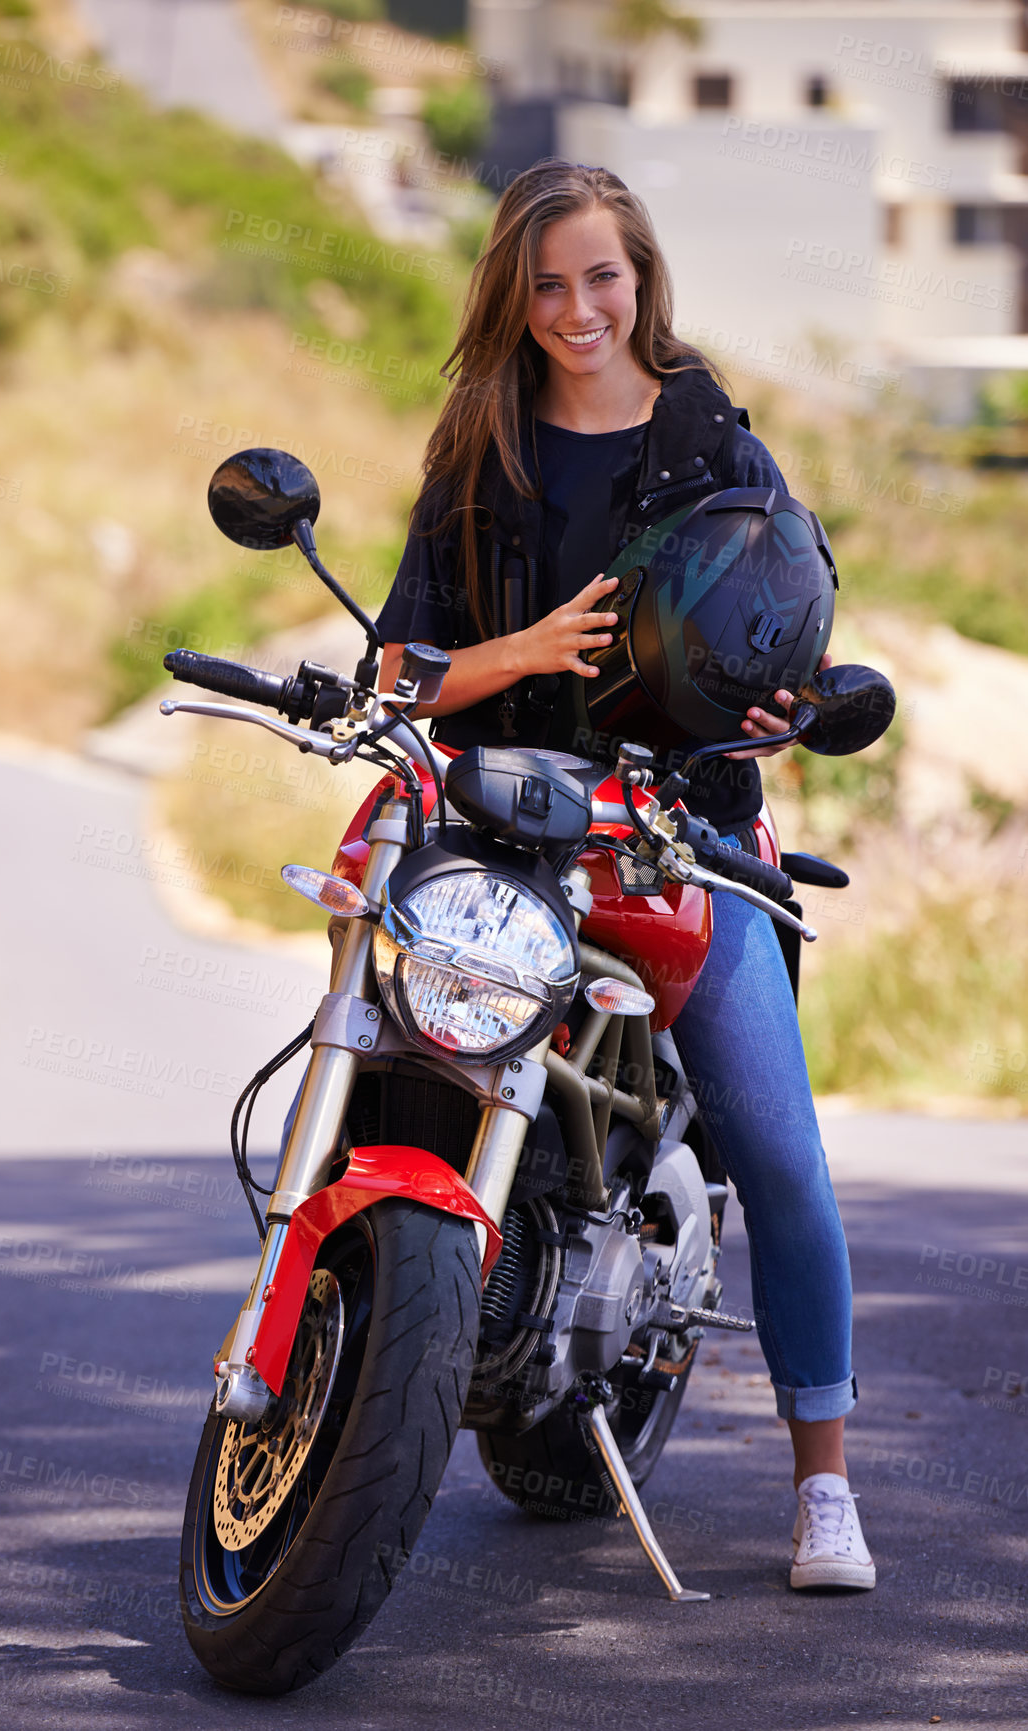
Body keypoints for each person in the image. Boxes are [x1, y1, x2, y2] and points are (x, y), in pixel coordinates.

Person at [375, 159, 874, 1592]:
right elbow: (409, 666)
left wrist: (789, 697)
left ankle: (825, 1490)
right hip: (501, 823)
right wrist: (520, 656)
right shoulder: (481, 448)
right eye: (547, 285)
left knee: (780, 1152)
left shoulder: (716, 437)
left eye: (603, 276)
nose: (578, 307)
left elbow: (788, 615)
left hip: (679, 829)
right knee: (395, 1042)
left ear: (642, 278)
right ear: (511, 300)